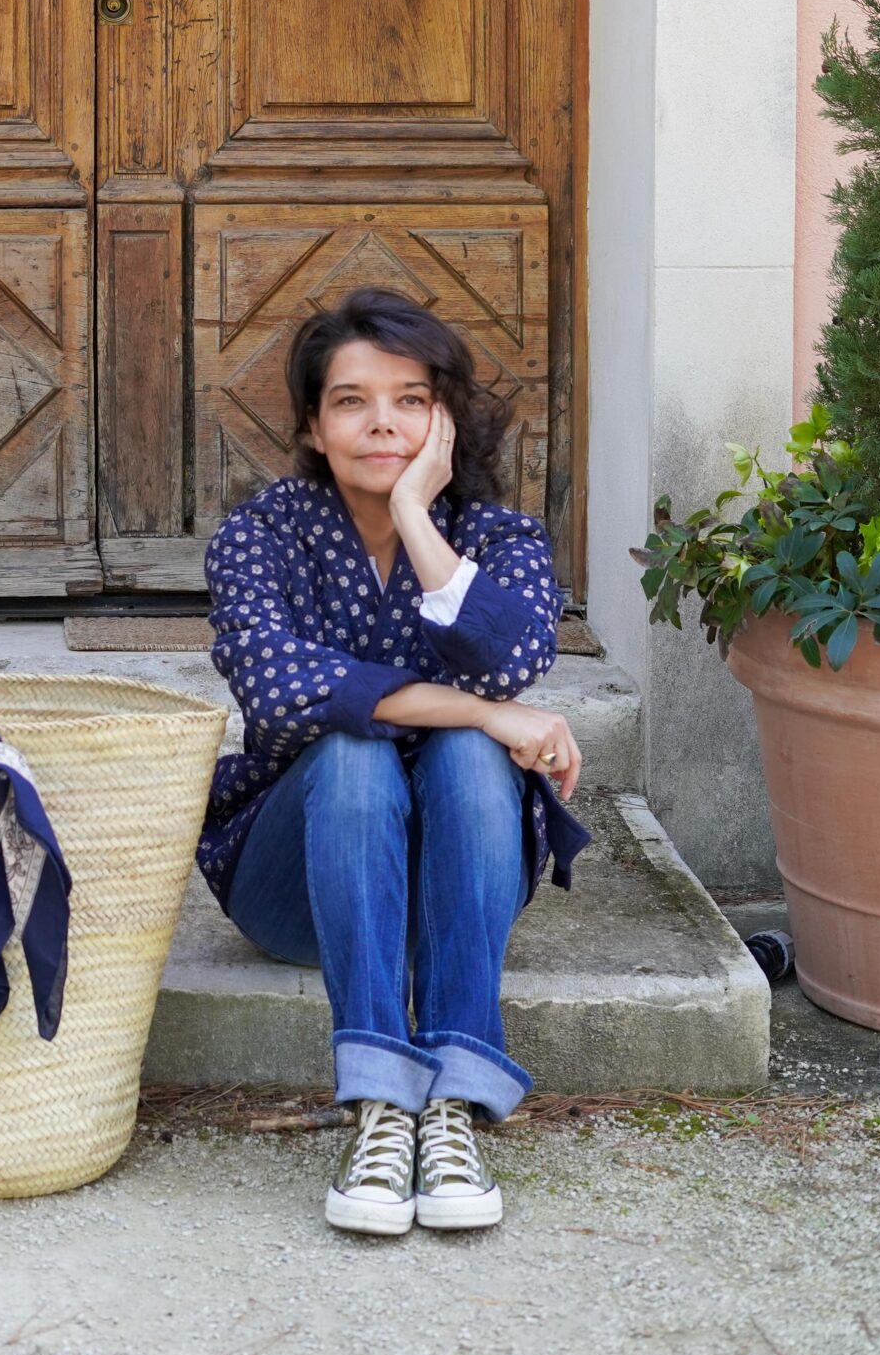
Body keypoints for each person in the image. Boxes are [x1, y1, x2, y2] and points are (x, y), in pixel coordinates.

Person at [199, 286, 588, 1237]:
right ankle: (379, 1104)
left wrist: (418, 516)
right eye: (351, 401)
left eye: (410, 399)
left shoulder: (498, 538)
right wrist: (489, 715)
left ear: (443, 418)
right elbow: (284, 685)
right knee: (354, 749)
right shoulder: (262, 535)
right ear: (312, 424)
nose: (382, 422)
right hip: (297, 884)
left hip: (456, 882)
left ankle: (448, 1107)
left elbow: (512, 658)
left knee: (463, 755)